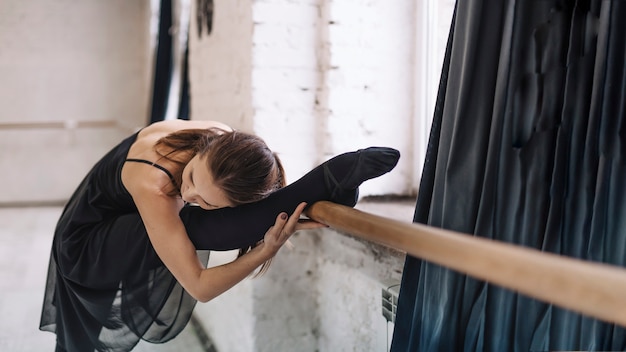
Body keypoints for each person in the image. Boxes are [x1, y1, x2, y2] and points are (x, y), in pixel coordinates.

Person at [39, 119, 400, 351]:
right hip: (86, 242)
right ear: (204, 150)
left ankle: (320, 187)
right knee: (194, 225)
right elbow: (199, 286)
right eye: (193, 178)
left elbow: (240, 198)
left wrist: (270, 215)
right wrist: (265, 247)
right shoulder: (154, 183)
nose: (190, 194)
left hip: (119, 221)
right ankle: (323, 182)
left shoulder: (228, 142)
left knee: (77, 346)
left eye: (208, 201)